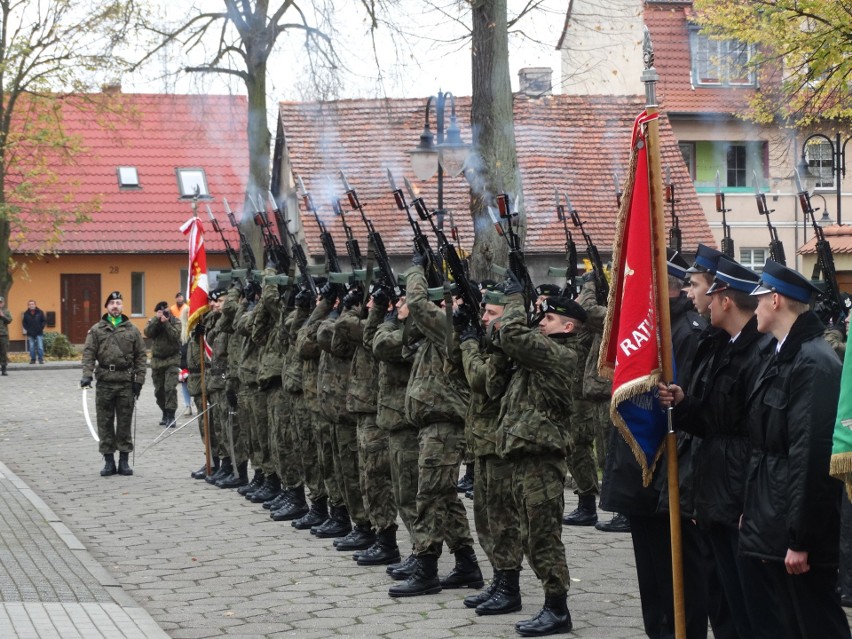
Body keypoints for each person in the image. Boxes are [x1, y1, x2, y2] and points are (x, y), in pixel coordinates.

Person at [659, 256, 770, 638]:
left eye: (700, 287)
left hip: (736, 492)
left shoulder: (758, 352)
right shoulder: (720, 345)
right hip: (716, 489)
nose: (694, 294)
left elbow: (758, 437)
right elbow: (713, 420)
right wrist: (684, 404)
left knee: (747, 605)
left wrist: (747, 503)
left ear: (724, 300)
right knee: (725, 600)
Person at [738, 260, 850, 638]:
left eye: (758, 300)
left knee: (816, 623)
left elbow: (811, 458)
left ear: (776, 300)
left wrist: (800, 539)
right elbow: (765, 448)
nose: (752, 308)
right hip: (773, 519)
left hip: (797, 531)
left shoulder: (814, 362)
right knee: (788, 623)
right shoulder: (782, 354)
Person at [496, 285, 583, 637]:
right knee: (531, 535)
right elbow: (504, 340)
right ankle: (551, 604)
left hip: (542, 457)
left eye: (549, 319)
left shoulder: (561, 355)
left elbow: (512, 332)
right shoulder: (543, 353)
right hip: (526, 453)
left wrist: (515, 300)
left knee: (543, 535)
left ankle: (558, 609)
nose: (542, 323)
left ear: (569, 327)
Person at [80, 291, 146, 477]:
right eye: (112, 303)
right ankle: (108, 461)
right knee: (105, 422)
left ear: (122, 306)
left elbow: (141, 356)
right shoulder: (97, 330)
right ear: (107, 307)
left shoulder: (132, 330)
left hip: (125, 381)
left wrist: (139, 381)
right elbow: (88, 354)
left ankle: (124, 461)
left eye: (118, 302)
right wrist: (87, 375)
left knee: (125, 422)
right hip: (105, 382)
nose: (115, 306)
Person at [144, 301, 182, 427]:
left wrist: (166, 323)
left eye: (165, 311)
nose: (163, 313)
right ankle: (165, 412)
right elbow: (148, 333)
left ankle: (171, 416)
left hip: (172, 360)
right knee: (159, 391)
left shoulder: (175, 321)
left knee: (170, 388)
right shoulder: (153, 321)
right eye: (160, 311)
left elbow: (175, 336)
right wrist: (157, 320)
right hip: (157, 361)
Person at [22, 299, 46, 364]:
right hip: (30, 333)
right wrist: (28, 329)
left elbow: (43, 321)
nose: (31, 305)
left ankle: (40, 359)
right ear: (28, 306)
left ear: (35, 305)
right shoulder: (26, 313)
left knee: (40, 346)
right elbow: (24, 323)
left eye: (33, 304)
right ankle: (33, 359)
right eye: (30, 304)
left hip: (39, 332)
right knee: (32, 347)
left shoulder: (40, 312)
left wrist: (41, 328)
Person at [0, 296, 11, 375]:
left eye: (0, 302)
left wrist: (2, 315)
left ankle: (4, 369)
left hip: (3, 335)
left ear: (3, 303)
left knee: (3, 352)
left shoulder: (6, 311)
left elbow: (9, 321)